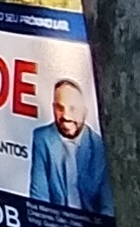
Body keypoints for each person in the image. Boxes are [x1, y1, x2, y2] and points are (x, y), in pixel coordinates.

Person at [30, 78, 112, 214]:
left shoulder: (100, 147)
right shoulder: (42, 139)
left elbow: (108, 207)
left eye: (73, 108)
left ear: (84, 112)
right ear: (53, 108)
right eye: (60, 108)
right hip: (56, 225)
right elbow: (39, 198)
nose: (66, 116)